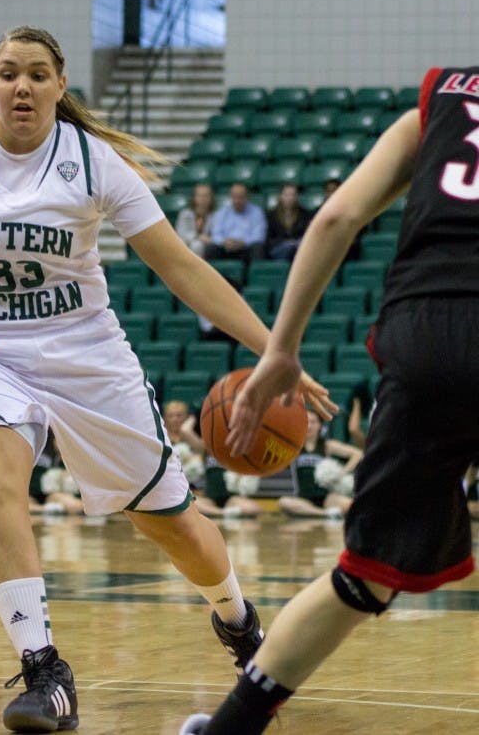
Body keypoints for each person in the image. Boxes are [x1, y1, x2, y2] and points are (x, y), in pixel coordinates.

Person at [0, 25, 334, 733]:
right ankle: (44, 671)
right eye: (9, 73)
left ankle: (238, 618)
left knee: (176, 530)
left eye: (37, 74)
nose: (22, 86)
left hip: (86, 355)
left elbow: (182, 268)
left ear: (61, 86)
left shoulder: (93, 164)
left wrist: (277, 351)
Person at [180, 66, 479, 735]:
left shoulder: (443, 99)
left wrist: (281, 349)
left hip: (428, 328)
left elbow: (338, 214)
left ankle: (231, 730)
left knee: (365, 573)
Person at [277, 409, 361, 518]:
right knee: (283, 502)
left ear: (320, 425)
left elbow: (357, 454)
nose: (310, 425)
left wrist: (341, 473)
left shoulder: (327, 445)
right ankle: (326, 513)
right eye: (306, 421)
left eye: (313, 422)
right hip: (303, 499)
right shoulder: (293, 447)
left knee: (352, 505)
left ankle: (316, 513)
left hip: (327, 498)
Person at [206, 182, 267, 263]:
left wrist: (242, 242)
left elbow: (259, 236)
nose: (237, 201)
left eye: (240, 197)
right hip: (226, 248)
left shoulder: (257, 213)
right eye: (234, 197)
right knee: (211, 249)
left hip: (246, 248)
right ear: (230, 197)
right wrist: (224, 242)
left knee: (258, 248)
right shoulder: (222, 213)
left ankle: (254, 274)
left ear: (247, 197)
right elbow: (216, 234)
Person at [264, 183, 311, 261]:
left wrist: (295, 243)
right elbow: (269, 239)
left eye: (293, 195)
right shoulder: (271, 215)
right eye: (287, 195)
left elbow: (305, 235)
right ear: (281, 196)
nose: (290, 198)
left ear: (296, 197)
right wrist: (286, 242)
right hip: (278, 248)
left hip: (297, 248)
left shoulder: (304, 214)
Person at [174, 183, 215, 256]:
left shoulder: (215, 216)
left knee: (197, 245)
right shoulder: (185, 214)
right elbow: (180, 234)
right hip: (185, 245)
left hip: (206, 249)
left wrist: (209, 240)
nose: (202, 199)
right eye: (199, 196)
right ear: (195, 198)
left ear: (211, 198)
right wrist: (197, 236)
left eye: (206, 196)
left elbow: (217, 238)